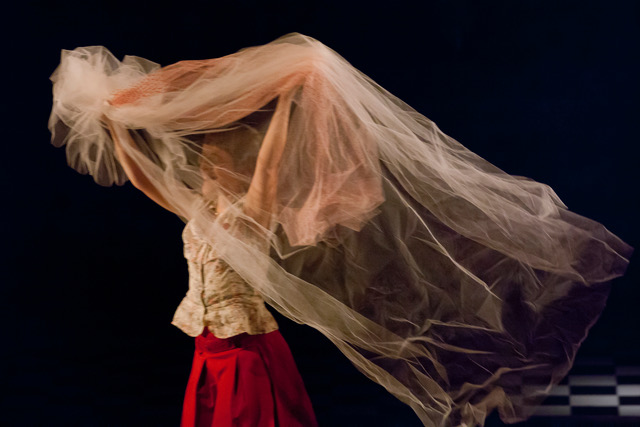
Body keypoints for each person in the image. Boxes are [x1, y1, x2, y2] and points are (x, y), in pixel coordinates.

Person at [50, 33, 634, 427]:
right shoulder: (198, 216)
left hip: (246, 350)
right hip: (208, 349)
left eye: (217, 166)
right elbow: (145, 179)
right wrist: (115, 124)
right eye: (206, 168)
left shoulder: (250, 214)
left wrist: (287, 102)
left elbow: (270, 166)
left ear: (230, 174)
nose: (207, 171)